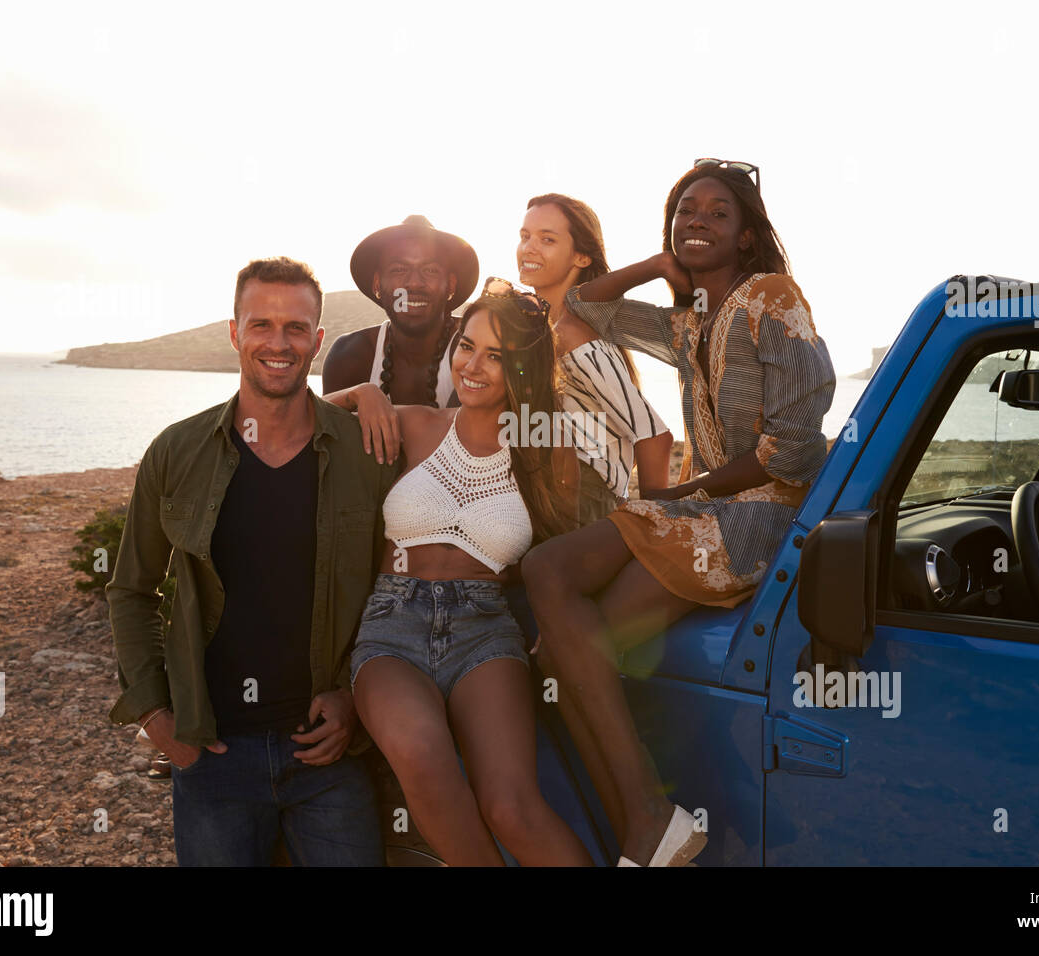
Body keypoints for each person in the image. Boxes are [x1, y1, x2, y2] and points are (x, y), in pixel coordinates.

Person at [522, 160, 836, 866]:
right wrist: (663, 263)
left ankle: (645, 820)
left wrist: (683, 495)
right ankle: (646, 827)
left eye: (717, 214)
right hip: (707, 510)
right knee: (568, 632)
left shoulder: (771, 298)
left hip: (760, 515)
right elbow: (584, 308)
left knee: (562, 603)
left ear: (748, 237)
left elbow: (791, 448)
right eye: (684, 211)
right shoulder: (691, 321)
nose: (697, 220)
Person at [107, 257, 398, 866]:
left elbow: (391, 590)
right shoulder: (176, 452)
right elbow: (131, 590)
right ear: (234, 332)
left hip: (328, 757)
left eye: (296, 328)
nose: (278, 342)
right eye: (260, 324)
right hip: (212, 753)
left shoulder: (363, 451)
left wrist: (351, 697)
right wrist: (156, 715)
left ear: (317, 341)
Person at [329, 277, 591, 866]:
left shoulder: (552, 454)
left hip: (486, 630)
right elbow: (297, 416)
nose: (473, 365)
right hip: (391, 626)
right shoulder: (415, 425)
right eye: (467, 345)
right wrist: (360, 396)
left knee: (512, 807)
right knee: (422, 753)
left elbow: (567, 554)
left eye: (497, 355)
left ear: (525, 367)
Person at [518, 194, 673, 524]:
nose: (528, 248)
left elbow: (654, 436)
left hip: (579, 503)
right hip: (546, 495)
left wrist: (648, 526)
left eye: (547, 239)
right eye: (525, 236)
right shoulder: (539, 330)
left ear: (582, 257)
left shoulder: (572, 333)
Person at [321, 215, 479, 407]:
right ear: (377, 284)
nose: (414, 283)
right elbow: (327, 429)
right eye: (398, 270)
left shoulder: (474, 349)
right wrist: (357, 395)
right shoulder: (351, 355)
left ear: (451, 285)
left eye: (430, 270)